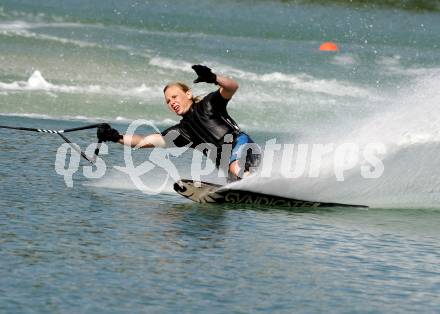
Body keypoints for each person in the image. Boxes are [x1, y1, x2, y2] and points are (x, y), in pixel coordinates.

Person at [97, 65, 260, 181]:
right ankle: (257, 184)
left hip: (242, 147)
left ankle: (254, 183)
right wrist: (114, 136)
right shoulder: (181, 132)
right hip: (228, 165)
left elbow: (232, 87)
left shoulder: (209, 104)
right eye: (168, 101)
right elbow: (143, 142)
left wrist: (214, 78)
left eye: (174, 97)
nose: (171, 102)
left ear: (188, 94)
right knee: (232, 176)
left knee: (235, 168)